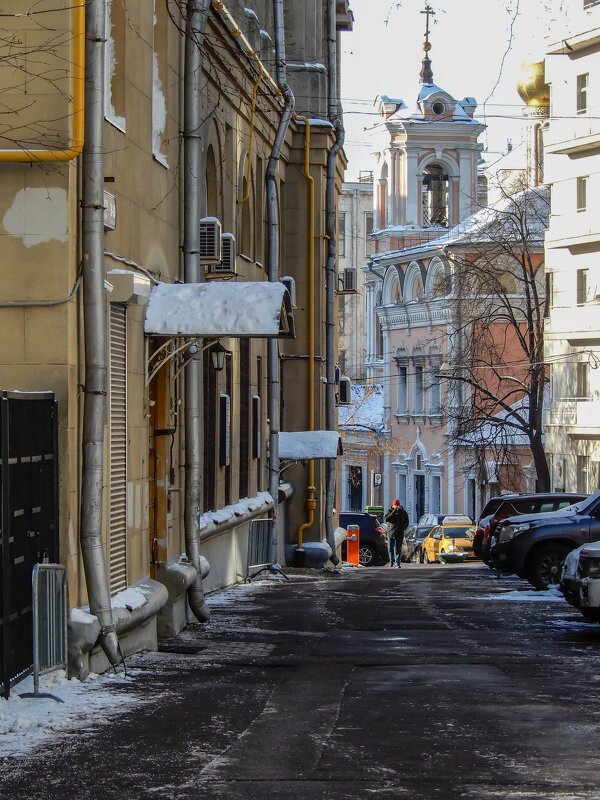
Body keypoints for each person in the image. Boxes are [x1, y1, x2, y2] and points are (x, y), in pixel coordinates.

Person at [385, 499, 409, 567]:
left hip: (399, 533)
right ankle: (391, 560)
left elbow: (406, 522)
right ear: (392, 505)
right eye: (395, 505)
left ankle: (398, 563)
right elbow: (386, 519)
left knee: (398, 548)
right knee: (390, 548)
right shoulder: (389, 511)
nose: (396, 506)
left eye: (397, 505)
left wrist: (402, 528)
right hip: (391, 532)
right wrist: (394, 511)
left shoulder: (403, 512)